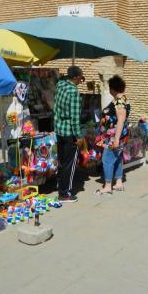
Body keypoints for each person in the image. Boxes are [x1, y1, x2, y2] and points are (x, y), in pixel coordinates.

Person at [53, 65, 85, 203]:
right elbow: (74, 117)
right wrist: (78, 136)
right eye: (81, 77)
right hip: (69, 133)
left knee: (61, 161)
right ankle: (65, 193)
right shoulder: (73, 92)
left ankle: (60, 186)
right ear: (76, 77)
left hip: (59, 130)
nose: (81, 80)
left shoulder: (60, 85)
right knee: (69, 164)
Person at [95, 75, 130, 195]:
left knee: (107, 160)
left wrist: (116, 139)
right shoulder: (122, 99)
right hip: (119, 135)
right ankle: (119, 182)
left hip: (114, 136)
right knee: (117, 158)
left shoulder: (119, 101)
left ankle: (108, 185)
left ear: (113, 88)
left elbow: (120, 120)